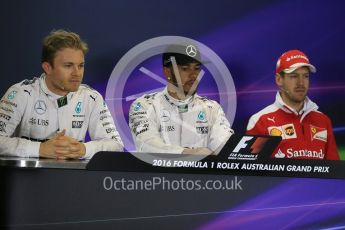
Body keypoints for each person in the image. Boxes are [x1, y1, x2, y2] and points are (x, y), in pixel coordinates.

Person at [0, 29, 123, 159]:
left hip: (72, 178)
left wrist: (83, 149)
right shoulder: (21, 93)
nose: (77, 73)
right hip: (25, 177)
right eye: (68, 65)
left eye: (81, 65)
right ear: (48, 68)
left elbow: (116, 145)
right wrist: (40, 149)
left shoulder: (92, 98)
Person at [129, 44, 234, 154]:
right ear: (167, 72)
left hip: (198, 171)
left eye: (197, 68)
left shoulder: (212, 107)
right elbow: (147, 145)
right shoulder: (144, 105)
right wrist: (186, 153)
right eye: (185, 69)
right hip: (159, 171)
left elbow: (224, 144)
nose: (194, 76)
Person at [246, 49, 339, 160]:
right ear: (279, 79)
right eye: (294, 76)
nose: (301, 83)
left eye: (305, 76)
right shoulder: (261, 120)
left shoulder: (323, 121)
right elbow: (250, 171)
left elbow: (333, 172)